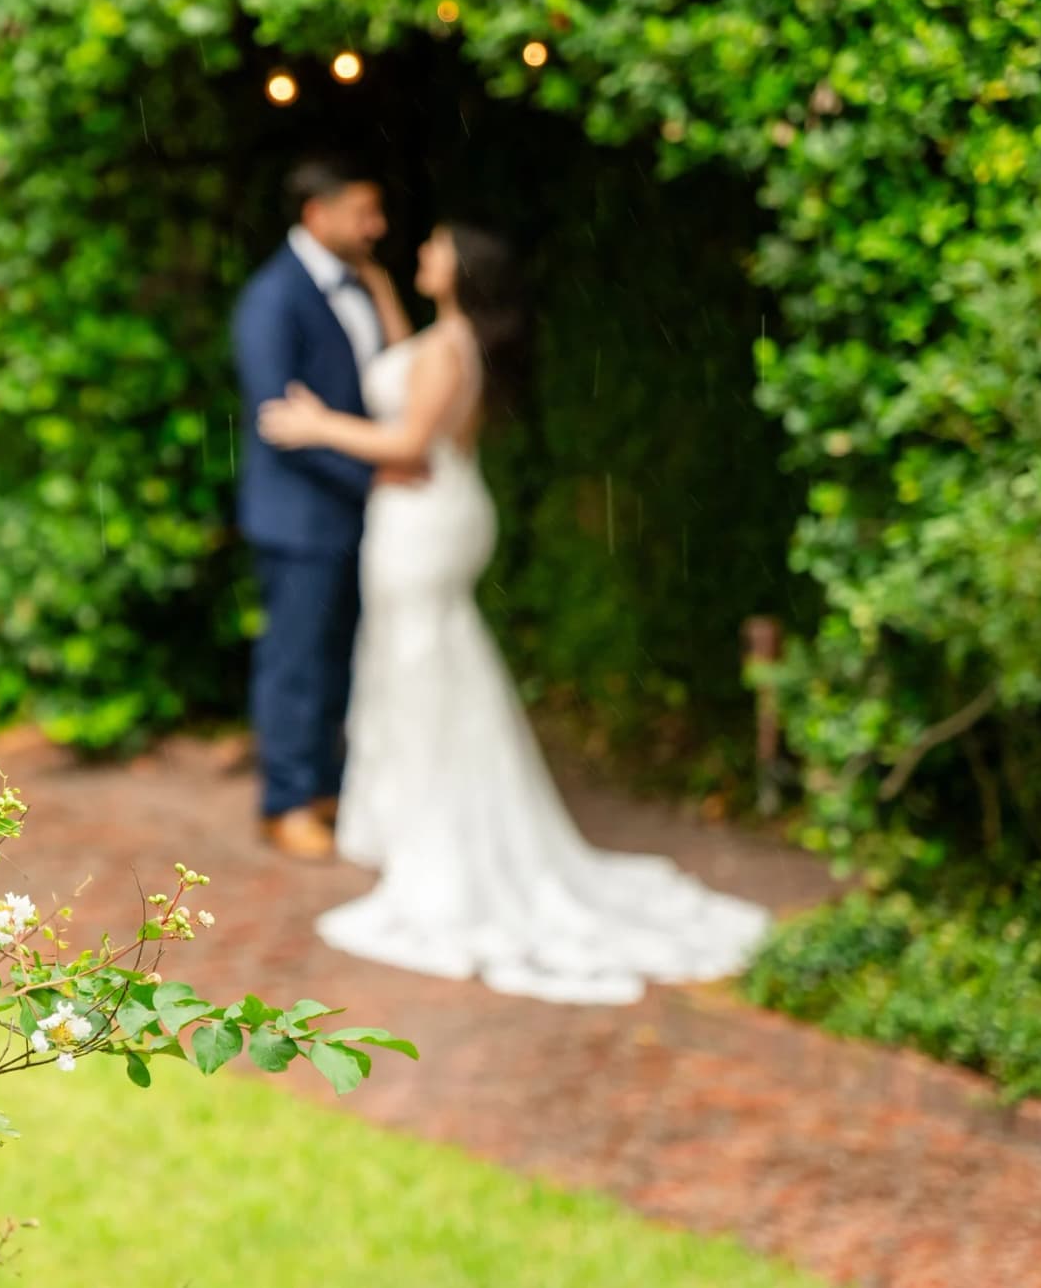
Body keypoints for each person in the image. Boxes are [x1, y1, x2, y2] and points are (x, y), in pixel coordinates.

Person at [257, 223, 770, 1004]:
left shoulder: (448, 349)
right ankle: (413, 822)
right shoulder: (448, 340)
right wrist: (387, 290)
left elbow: (409, 441)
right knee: (421, 666)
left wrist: (314, 425)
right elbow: (402, 363)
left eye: (430, 249)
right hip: (432, 517)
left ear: (459, 270)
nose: (418, 254)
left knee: (422, 670)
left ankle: (444, 838)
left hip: (421, 519)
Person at [232, 156, 403, 860]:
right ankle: (286, 801)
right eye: (364, 213)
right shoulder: (272, 297)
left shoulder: (364, 286)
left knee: (339, 658)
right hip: (299, 515)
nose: (377, 227)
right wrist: (376, 474)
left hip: (357, 511)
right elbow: (280, 420)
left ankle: (329, 787)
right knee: (295, 662)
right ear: (317, 215)